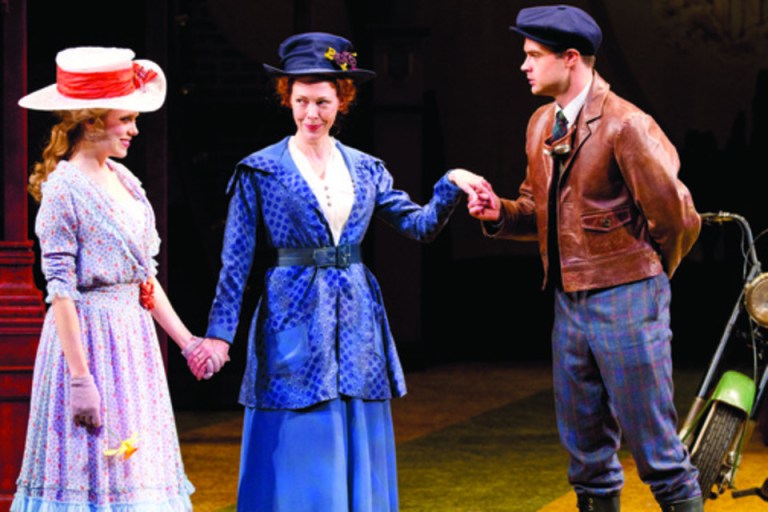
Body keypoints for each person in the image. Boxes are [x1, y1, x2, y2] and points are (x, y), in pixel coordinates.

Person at [184, 32, 492, 511]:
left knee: (356, 430)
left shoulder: (366, 168)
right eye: (301, 100)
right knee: (300, 437)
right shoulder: (259, 170)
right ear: (287, 98)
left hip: (354, 316)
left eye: (323, 101)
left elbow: (419, 225)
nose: (311, 113)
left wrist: (451, 183)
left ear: (342, 100)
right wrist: (219, 335)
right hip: (291, 312)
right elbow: (236, 260)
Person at [467, 6, 703, 512]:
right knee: (586, 457)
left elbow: (679, 219)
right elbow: (539, 210)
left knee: (657, 452)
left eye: (534, 55)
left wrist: (648, 281)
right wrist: (499, 213)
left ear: (570, 58)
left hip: (627, 298)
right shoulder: (540, 124)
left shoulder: (625, 125)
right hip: (569, 302)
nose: (524, 66)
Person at [12, 46, 204, 511]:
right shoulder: (63, 189)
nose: (134, 130)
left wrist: (186, 342)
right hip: (88, 343)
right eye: (125, 119)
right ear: (92, 120)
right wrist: (80, 378)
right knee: (89, 466)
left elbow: (145, 278)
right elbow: (60, 292)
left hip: (133, 346)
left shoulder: (126, 181)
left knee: (136, 467)